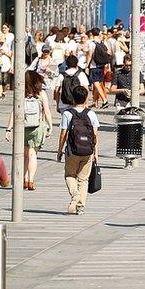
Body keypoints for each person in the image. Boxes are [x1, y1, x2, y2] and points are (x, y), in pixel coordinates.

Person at [5, 71, 53, 191]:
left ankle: (23, 180)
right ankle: (30, 181)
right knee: (32, 154)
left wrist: (8, 128)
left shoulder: (21, 94)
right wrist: (50, 125)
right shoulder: (41, 94)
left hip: (22, 127)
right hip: (37, 127)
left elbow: (14, 112)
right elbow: (46, 111)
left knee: (25, 155)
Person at [56, 86, 99, 214]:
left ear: (73, 98)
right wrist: (96, 152)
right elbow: (95, 135)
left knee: (69, 175)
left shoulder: (68, 114)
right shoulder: (91, 114)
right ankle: (80, 206)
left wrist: (59, 151)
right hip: (88, 151)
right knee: (83, 179)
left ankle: (75, 194)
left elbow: (63, 133)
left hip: (72, 151)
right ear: (86, 98)